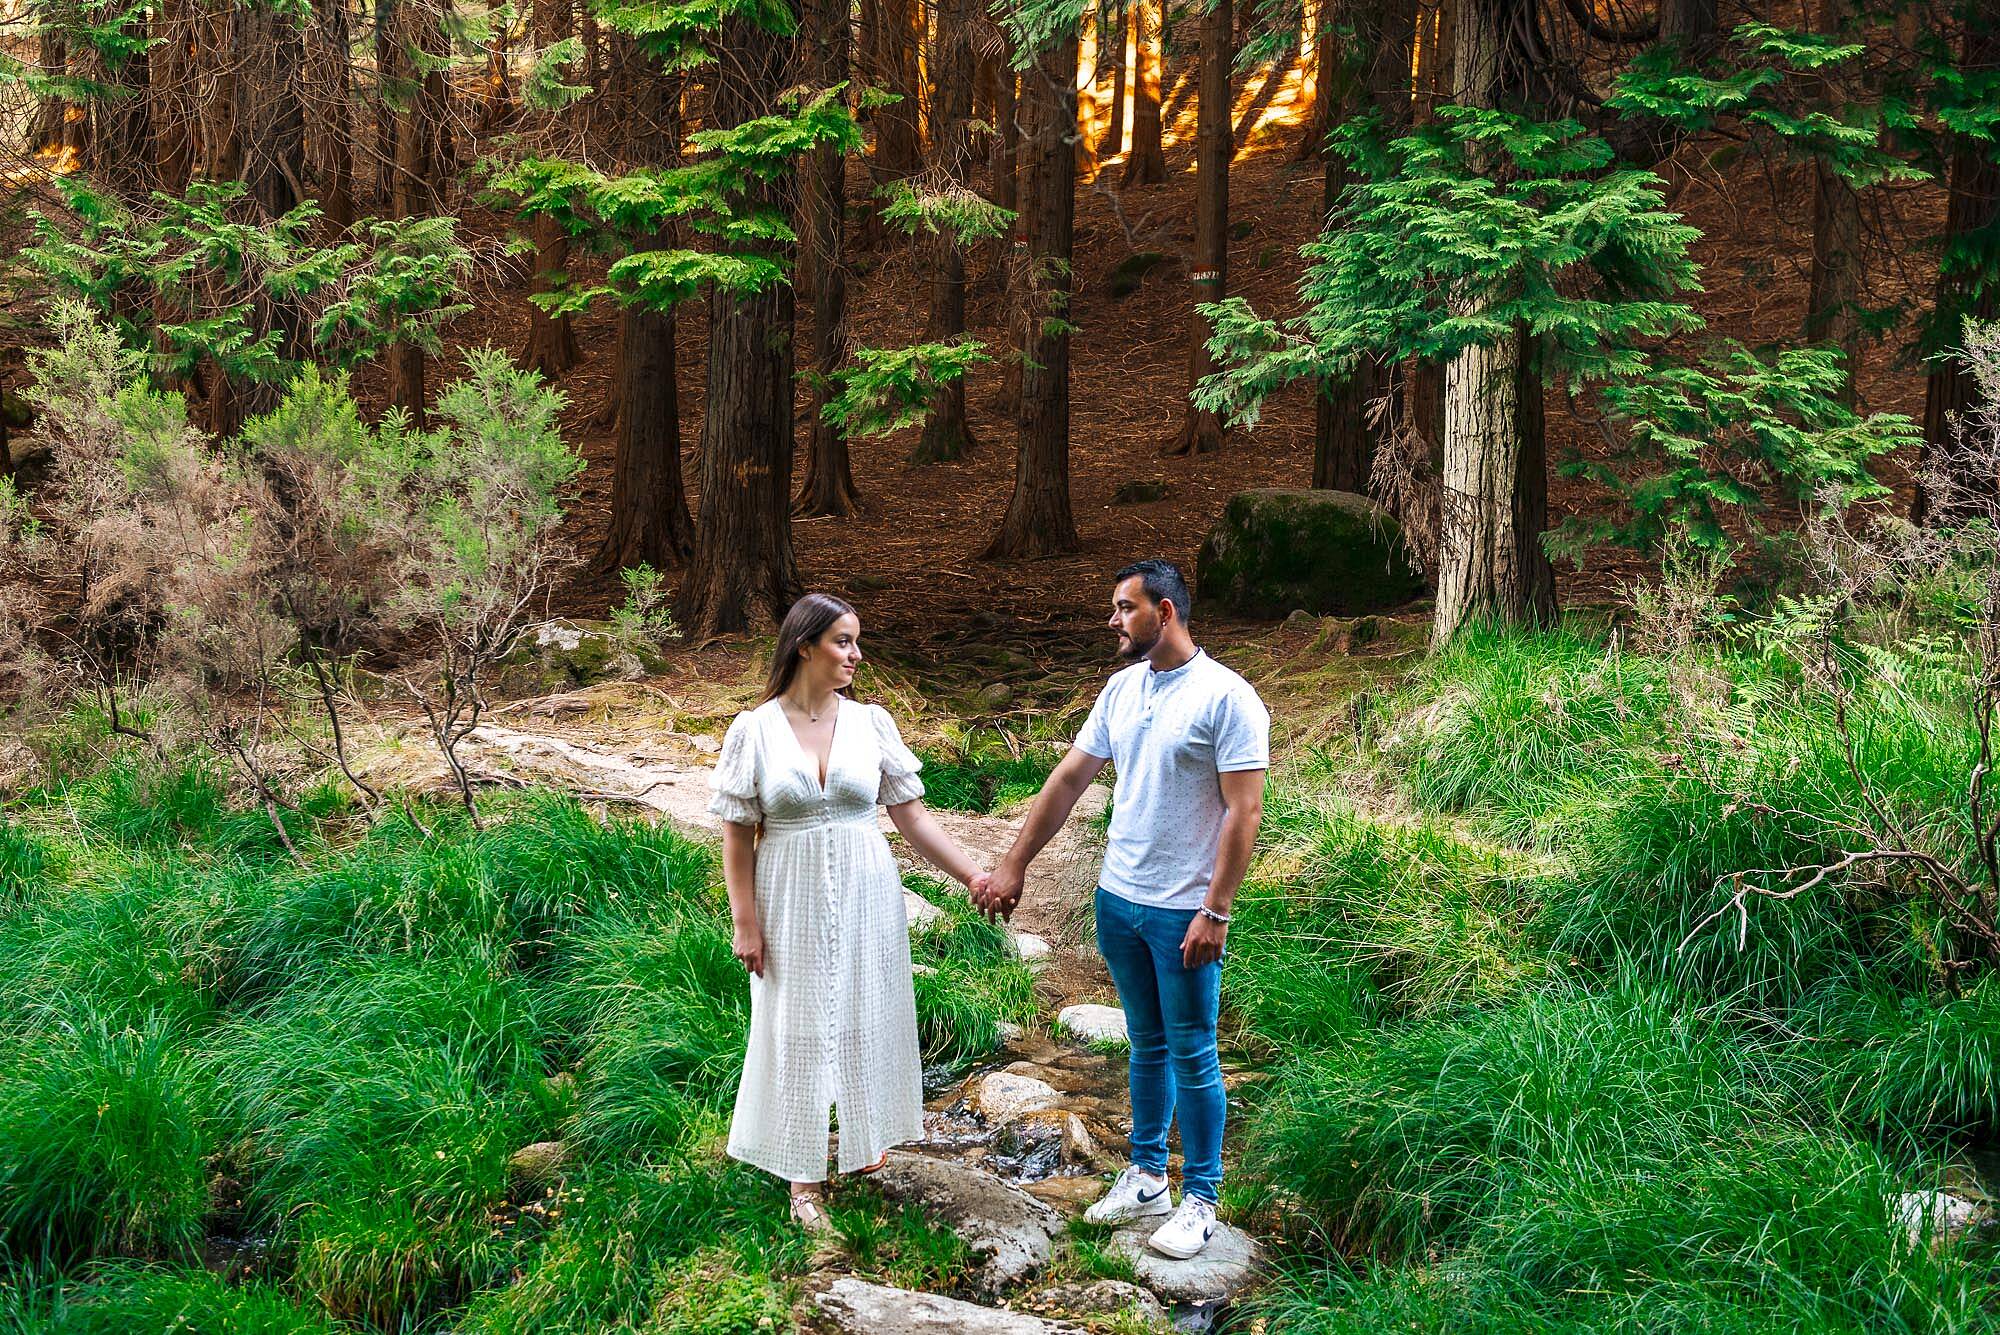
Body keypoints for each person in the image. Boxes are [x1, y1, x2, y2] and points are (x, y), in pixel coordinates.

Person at [975, 559, 1267, 1260]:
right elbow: (1071, 776)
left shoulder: (1228, 697)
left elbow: (1244, 809)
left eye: (1123, 607)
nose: (1112, 620)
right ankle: (1144, 1175)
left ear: (1163, 611)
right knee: (1146, 1041)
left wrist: (1216, 910)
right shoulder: (1121, 687)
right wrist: (1015, 862)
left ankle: (1200, 1197)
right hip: (1119, 897)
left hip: (1181, 910)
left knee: (1194, 1049)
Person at [709, 593, 991, 1231]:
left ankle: (865, 1144)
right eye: (843, 642)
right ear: (804, 645)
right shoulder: (754, 731)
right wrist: (744, 921)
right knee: (795, 1022)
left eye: (856, 642)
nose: (856, 655)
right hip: (789, 890)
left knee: (868, 1004)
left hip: (867, 887)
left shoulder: (871, 723)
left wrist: (972, 874)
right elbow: (736, 834)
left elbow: (912, 818)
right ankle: (801, 1176)